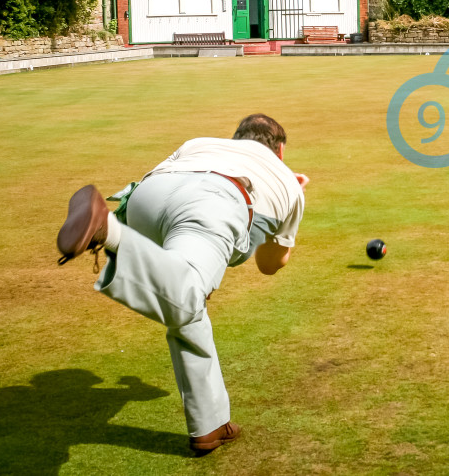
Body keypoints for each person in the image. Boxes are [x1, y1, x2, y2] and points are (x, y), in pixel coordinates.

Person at [55, 114, 308, 456]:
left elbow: (156, 179)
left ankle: (210, 425)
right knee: (187, 293)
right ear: (280, 151)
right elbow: (269, 264)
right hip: (218, 202)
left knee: (187, 305)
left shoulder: (200, 144)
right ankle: (108, 230)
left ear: (236, 138)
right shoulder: (289, 182)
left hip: (146, 198)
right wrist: (291, 195)